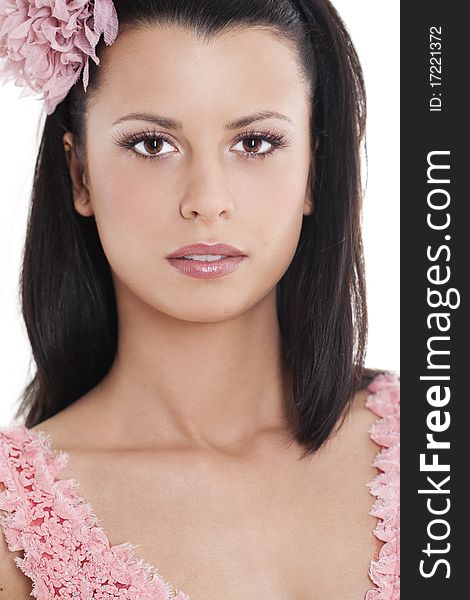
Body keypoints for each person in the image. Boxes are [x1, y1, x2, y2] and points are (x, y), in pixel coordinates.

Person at [0, 0, 399, 598]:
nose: (206, 200)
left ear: (315, 169)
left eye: (257, 142)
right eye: (152, 145)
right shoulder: (11, 526)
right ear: (80, 172)